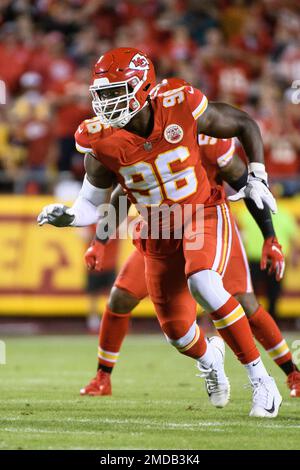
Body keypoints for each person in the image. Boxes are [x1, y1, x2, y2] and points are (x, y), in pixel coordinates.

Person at [38, 47, 282, 417]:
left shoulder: (179, 103)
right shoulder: (99, 138)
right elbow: (93, 201)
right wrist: (71, 217)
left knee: (204, 281)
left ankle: (262, 381)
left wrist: (259, 177)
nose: (106, 102)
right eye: (101, 94)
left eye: (114, 91)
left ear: (142, 86)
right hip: (158, 231)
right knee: (178, 334)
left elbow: (244, 123)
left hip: (204, 213)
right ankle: (210, 358)